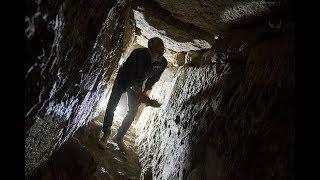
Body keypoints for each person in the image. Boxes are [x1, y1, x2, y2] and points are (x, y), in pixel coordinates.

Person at [98, 37, 167, 149]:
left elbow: (152, 80)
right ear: (149, 50)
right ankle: (106, 133)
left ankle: (119, 137)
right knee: (112, 105)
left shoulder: (162, 63)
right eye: (158, 52)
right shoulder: (137, 54)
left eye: (163, 51)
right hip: (123, 79)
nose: (161, 55)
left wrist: (144, 93)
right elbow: (130, 78)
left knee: (133, 111)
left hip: (138, 83)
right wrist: (143, 97)